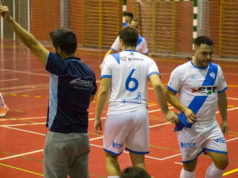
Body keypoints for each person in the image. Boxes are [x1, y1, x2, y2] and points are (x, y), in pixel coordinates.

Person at [0, 6, 97, 178]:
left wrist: (10, 20)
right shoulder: (89, 72)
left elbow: (32, 43)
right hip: (82, 138)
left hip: (59, 137)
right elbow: (90, 97)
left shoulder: (59, 66)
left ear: (58, 50)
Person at [94, 26, 178, 178]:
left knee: (111, 157)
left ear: (120, 41)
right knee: (139, 162)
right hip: (140, 113)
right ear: (138, 42)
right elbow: (158, 85)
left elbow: (103, 91)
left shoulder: (110, 59)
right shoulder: (148, 61)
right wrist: (165, 111)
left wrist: (97, 117)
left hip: (117, 112)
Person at [166, 36, 229, 178]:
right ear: (194, 50)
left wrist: (224, 120)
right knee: (189, 166)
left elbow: (222, 95)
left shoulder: (216, 70)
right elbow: (169, 95)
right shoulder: (181, 71)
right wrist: (184, 109)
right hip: (190, 127)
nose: (208, 57)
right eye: (204, 53)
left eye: (211, 53)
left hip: (211, 125)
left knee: (222, 161)